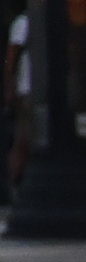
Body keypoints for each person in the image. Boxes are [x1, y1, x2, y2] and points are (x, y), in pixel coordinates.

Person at [5, 10, 29, 193]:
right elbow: (12, 57)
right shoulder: (24, 22)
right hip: (27, 89)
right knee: (22, 138)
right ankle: (15, 183)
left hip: (36, 88)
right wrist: (10, 88)